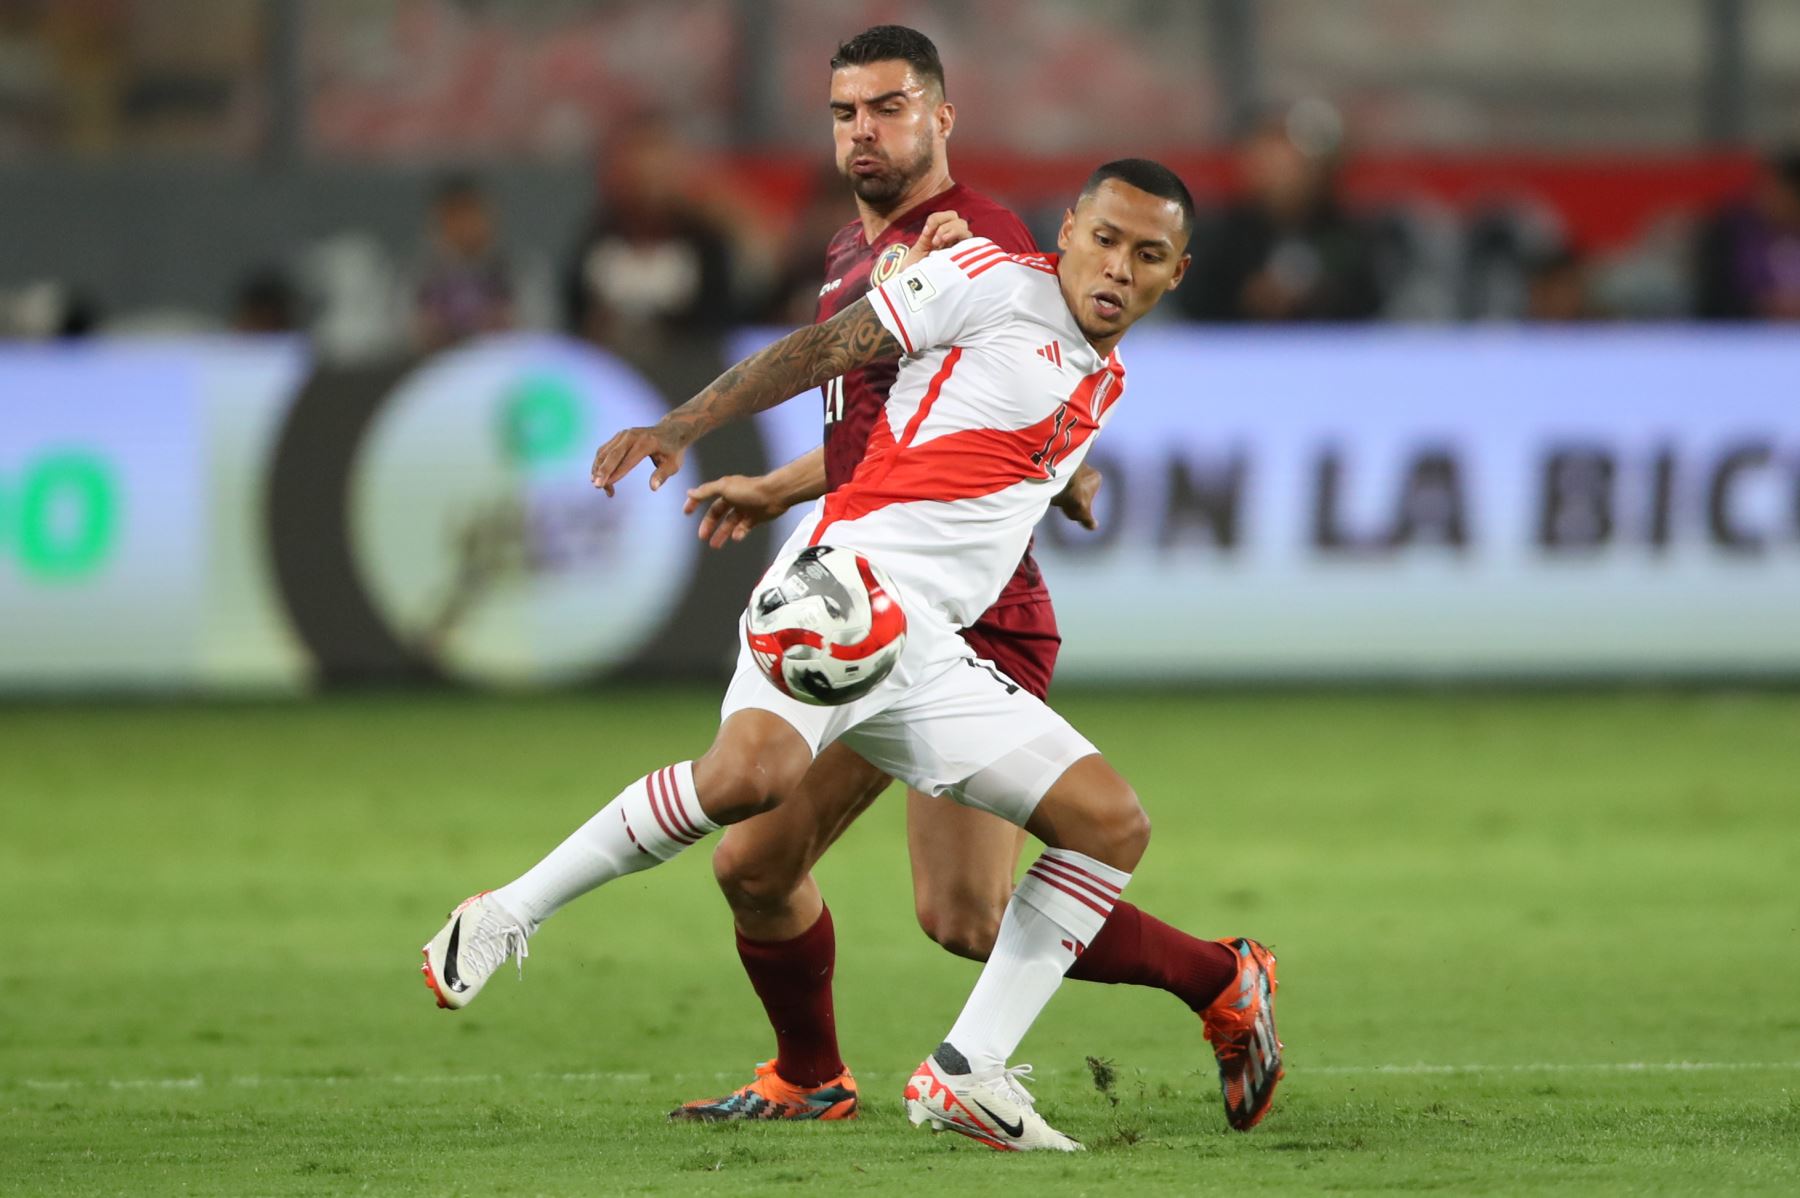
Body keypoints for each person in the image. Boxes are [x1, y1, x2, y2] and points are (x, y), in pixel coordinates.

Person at [421, 158, 1283, 1150]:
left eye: (1148, 255)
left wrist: (1065, 479)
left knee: (1107, 824)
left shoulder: (1103, 372)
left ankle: (970, 1072)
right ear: (1068, 229)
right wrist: (682, 424)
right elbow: (830, 348)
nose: (1119, 267)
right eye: (1104, 238)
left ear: (1177, 273)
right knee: (747, 785)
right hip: (844, 594)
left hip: (925, 650)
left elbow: (956, 437)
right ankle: (507, 914)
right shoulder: (991, 280)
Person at [664, 24, 1256, 1132]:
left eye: (888, 109)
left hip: (958, 616)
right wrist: (782, 487)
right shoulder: (855, 250)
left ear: (942, 117)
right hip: (879, 584)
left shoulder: (978, 237)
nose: (864, 132)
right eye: (845, 113)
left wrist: (1057, 472)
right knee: (879, 893)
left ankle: (1220, 979)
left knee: (861, 884)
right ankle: (816, 1076)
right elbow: (899, 438)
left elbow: (1026, 401)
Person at [1177, 110, 1384, 323]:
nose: (1281, 177)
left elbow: (1370, 302)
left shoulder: (1352, 236)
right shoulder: (1218, 236)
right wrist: (1246, 297)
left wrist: (1321, 297)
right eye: (1269, 162)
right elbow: (1193, 305)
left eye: (1294, 166)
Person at [412, 173, 516, 350]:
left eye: (471, 214)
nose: (465, 226)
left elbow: (526, 332)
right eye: (455, 216)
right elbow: (416, 334)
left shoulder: (512, 270)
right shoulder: (424, 276)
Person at [1693, 149, 1800, 322]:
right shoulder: (1729, 231)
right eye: (1765, 188)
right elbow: (1713, 296)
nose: (1768, 197)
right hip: (1744, 335)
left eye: (1780, 190)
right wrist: (1761, 306)